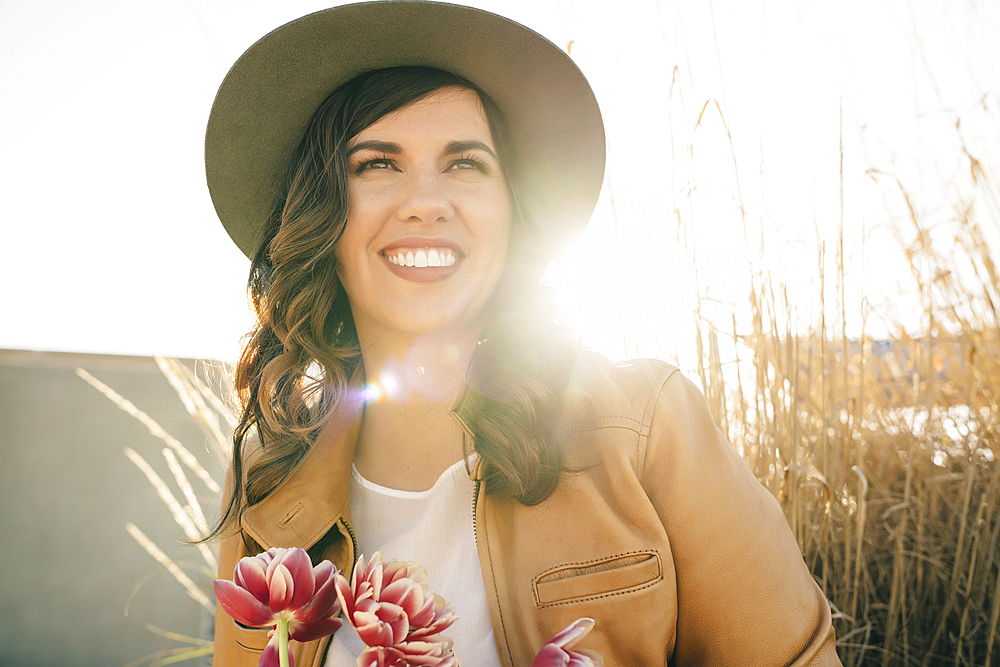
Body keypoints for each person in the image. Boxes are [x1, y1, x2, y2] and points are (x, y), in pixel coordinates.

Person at [204, 3, 842, 666]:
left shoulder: (649, 426)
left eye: (466, 164)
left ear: (513, 214)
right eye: (376, 164)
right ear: (323, 217)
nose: (426, 200)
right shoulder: (265, 478)